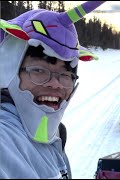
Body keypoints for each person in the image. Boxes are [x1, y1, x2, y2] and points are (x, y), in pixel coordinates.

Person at [0, 1, 105, 178]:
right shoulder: (5, 140)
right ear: (8, 68)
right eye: (39, 70)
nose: (56, 84)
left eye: (66, 75)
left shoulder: (54, 135)